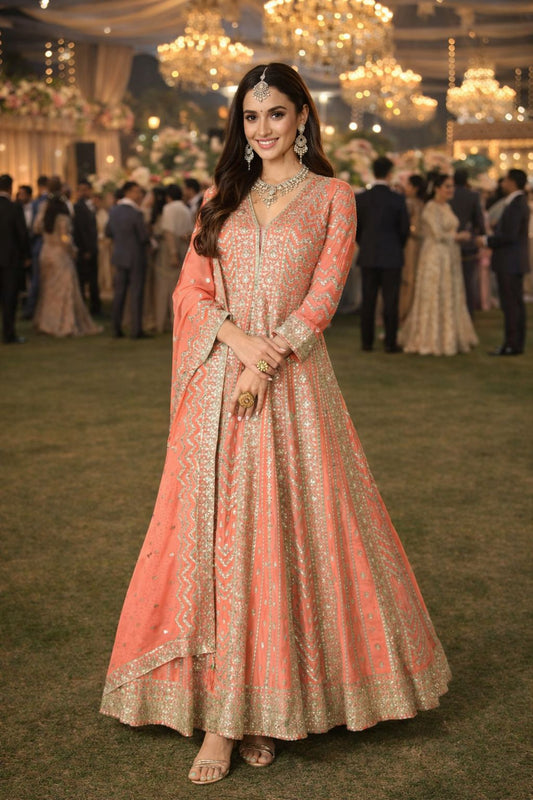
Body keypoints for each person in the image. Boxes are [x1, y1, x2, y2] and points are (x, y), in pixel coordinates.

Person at [100, 63, 450, 787]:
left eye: (276, 115)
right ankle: (228, 718)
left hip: (290, 394)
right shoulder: (217, 200)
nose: (262, 130)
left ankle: (259, 713)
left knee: (283, 539)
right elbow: (192, 293)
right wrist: (235, 344)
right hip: (219, 394)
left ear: (302, 119)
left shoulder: (331, 196)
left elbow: (325, 295)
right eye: (250, 117)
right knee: (220, 542)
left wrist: (268, 360)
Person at [398, 173, 478, 356]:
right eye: (447, 186)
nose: (451, 190)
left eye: (452, 186)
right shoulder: (430, 208)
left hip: (450, 256)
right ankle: (430, 338)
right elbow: (437, 234)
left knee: (449, 292)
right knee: (433, 293)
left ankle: (450, 335)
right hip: (435, 256)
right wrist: (459, 236)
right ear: (437, 188)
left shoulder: (447, 207)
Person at [33, 177, 102, 338]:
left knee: (48, 290)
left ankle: (47, 322)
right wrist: (73, 250)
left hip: (46, 252)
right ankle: (63, 323)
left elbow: (36, 228)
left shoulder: (44, 207)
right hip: (59, 254)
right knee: (64, 290)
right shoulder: (63, 211)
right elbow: (65, 237)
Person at [356, 155, 410, 352]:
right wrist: (397, 246)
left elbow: (356, 229)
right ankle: (390, 342)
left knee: (368, 301)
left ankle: (366, 342)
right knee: (391, 301)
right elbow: (404, 229)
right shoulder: (397, 199)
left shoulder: (361, 198)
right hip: (392, 255)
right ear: (389, 174)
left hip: (369, 254)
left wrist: (364, 244)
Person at [487, 168, 530, 356]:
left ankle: (512, 344)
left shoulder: (516, 204)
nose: (502, 184)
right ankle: (515, 343)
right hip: (514, 261)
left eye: (504, 180)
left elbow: (509, 235)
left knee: (511, 305)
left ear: (512, 182)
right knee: (515, 304)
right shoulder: (517, 203)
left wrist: (487, 240)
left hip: (509, 261)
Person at [106, 181, 150, 339]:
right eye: (137, 192)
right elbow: (143, 237)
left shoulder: (114, 211)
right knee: (136, 293)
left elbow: (108, 231)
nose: (140, 195)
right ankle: (136, 329)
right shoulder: (135, 213)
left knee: (119, 293)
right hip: (136, 256)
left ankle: (116, 327)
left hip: (119, 255)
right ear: (129, 192)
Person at [153, 183, 194, 333]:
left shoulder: (168, 208)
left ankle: (163, 322)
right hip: (183, 248)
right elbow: (188, 232)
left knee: (164, 287)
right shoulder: (185, 209)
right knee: (179, 286)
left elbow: (169, 232)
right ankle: (178, 321)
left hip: (170, 249)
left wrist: (172, 253)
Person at [449, 168, 486, 317]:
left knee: (452, 281)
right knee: (468, 282)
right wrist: (481, 236)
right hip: (467, 244)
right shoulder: (472, 196)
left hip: (451, 242)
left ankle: (453, 313)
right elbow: (479, 219)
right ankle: (468, 314)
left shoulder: (449, 195)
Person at [0, 174, 30, 344]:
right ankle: (8, 333)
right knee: (9, 298)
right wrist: (26, 255)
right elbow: (22, 234)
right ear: (10, 188)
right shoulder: (14, 208)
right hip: (10, 260)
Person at [399, 174, 426, 322]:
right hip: (417, 245)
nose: (405, 188)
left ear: (415, 188)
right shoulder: (420, 203)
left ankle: (403, 314)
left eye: (408, 185)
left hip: (410, 245)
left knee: (407, 280)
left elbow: (409, 227)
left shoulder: (409, 203)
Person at [73, 179, 101, 316]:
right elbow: (81, 230)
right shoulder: (78, 207)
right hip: (85, 250)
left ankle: (96, 307)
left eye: (85, 189)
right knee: (83, 280)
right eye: (81, 190)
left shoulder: (91, 205)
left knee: (94, 280)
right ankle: (85, 308)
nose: (83, 192)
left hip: (93, 248)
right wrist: (86, 249)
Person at [23, 175, 49, 319]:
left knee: (36, 279)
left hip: (38, 245)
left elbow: (32, 228)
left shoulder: (35, 203)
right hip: (46, 245)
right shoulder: (48, 202)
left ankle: (32, 309)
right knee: (38, 279)